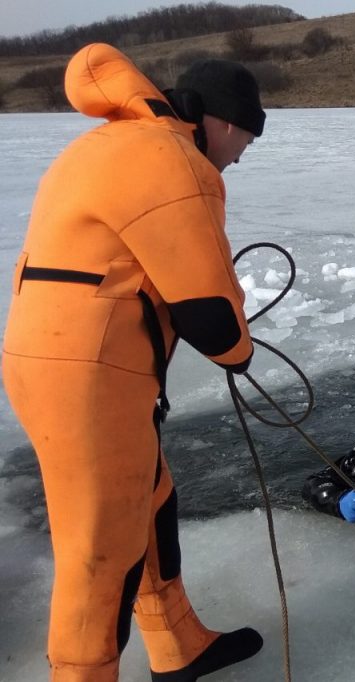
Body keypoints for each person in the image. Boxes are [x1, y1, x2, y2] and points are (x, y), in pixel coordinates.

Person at [2, 43, 267, 681]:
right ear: (226, 122)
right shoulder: (173, 159)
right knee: (101, 551)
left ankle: (178, 644)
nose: (238, 158)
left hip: (50, 356)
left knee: (149, 501)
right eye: (246, 142)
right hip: (88, 373)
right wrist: (239, 352)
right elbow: (208, 310)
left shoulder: (105, 143)